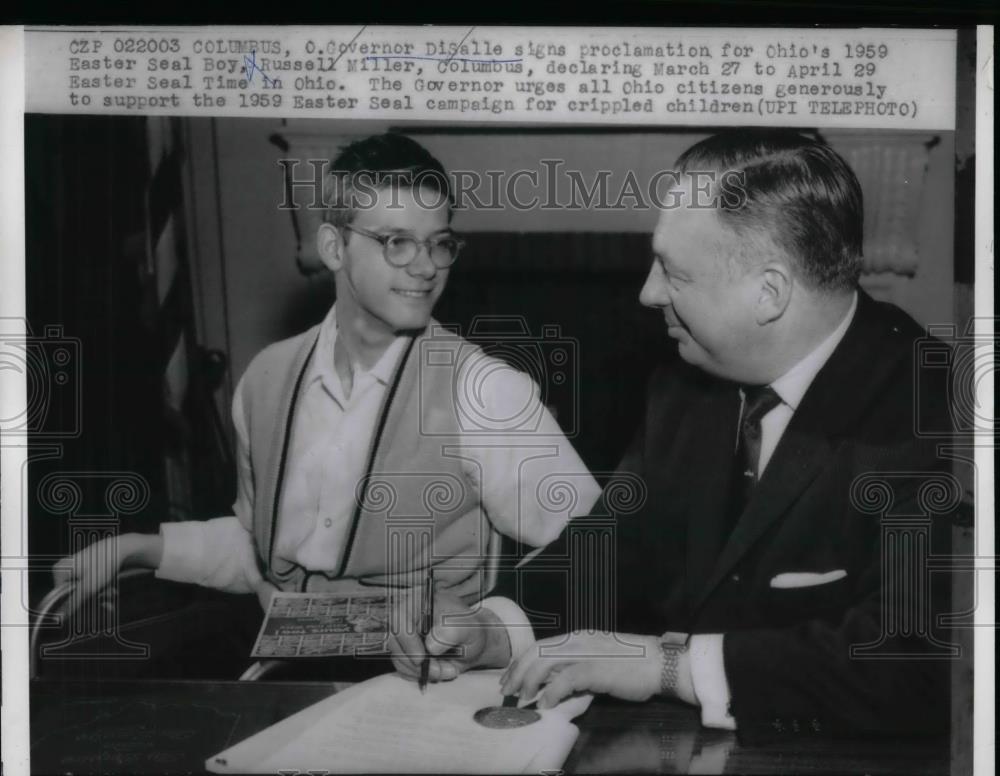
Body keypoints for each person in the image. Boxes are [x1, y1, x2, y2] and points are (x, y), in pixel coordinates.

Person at [390, 129, 955, 744]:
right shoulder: (685, 387)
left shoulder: (935, 412)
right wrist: (493, 628)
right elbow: (614, 545)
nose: (647, 292)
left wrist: (668, 668)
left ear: (769, 292)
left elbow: (920, 664)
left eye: (673, 271)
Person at [54, 133, 599, 615]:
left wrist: (489, 629)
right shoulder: (265, 380)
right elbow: (265, 555)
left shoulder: (487, 392)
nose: (427, 266)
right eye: (397, 242)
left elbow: (597, 551)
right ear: (334, 247)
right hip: (288, 673)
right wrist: (135, 549)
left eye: (440, 243)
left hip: (432, 684)